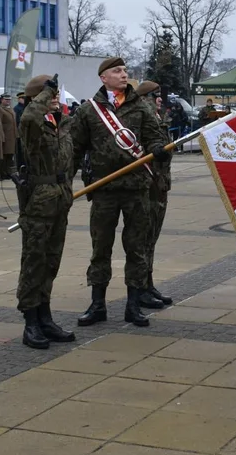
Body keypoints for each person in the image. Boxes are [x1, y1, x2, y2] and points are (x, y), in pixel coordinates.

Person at [71, 57, 168, 329]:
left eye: (125, 71)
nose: (124, 75)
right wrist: (64, 182)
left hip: (137, 188)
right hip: (104, 189)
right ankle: (97, 304)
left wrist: (158, 149)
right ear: (104, 77)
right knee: (100, 248)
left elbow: (154, 136)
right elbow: (76, 149)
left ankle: (134, 305)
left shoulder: (140, 106)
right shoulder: (89, 111)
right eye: (117, 71)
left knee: (136, 248)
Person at [15, 74, 77, 349]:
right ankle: (31, 322)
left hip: (60, 200)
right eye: (48, 96)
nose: (54, 99)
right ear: (36, 98)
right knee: (34, 262)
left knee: (51, 262)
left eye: (55, 95)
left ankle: (45, 317)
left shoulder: (59, 124)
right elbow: (29, 118)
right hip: (38, 203)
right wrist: (44, 93)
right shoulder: (32, 126)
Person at [134, 81, 173, 309]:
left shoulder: (158, 120)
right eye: (155, 95)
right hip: (148, 186)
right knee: (144, 239)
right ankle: (139, 287)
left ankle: (147, 282)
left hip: (160, 185)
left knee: (152, 239)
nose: (159, 99)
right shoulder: (142, 121)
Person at [0, 93, 18, 178]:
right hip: (5, 135)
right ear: (2, 100)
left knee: (10, 155)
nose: (8, 101)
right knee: (5, 155)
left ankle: (8, 172)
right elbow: (0, 124)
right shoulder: (0, 109)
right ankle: (3, 172)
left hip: (12, 135)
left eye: (9, 100)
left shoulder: (10, 109)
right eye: (6, 100)